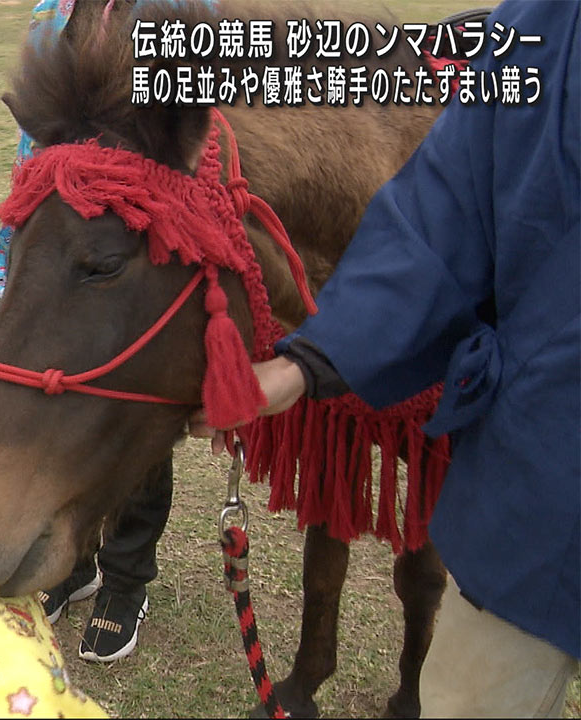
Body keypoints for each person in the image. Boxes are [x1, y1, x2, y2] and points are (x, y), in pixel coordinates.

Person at [191, 1, 579, 716]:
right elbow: (442, 218)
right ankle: (329, 670)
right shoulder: (546, 29)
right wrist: (306, 362)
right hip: (539, 495)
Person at [0, 0, 173, 664]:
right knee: (53, 422)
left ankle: (127, 582)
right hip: (44, 258)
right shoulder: (48, 14)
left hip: (128, 261)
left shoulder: (185, 11)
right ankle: (74, 563)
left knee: (127, 430)